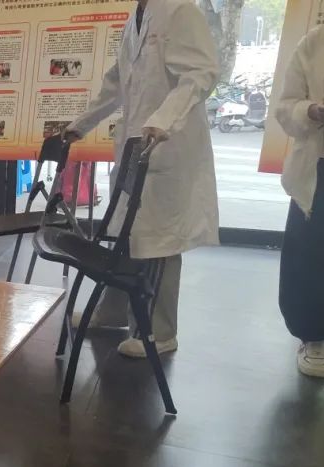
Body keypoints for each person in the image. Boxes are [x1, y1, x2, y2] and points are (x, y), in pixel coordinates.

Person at [64, 0, 219, 358]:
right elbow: (116, 81)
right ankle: (114, 312)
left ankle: (159, 333)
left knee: (161, 242)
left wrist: (163, 119)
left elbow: (202, 73)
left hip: (167, 144)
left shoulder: (180, 9)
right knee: (126, 233)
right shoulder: (137, 16)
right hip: (136, 145)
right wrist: (81, 124)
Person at [274, 25, 324, 378]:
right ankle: (315, 336)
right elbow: (285, 107)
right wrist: (312, 111)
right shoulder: (314, 43)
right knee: (309, 256)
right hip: (319, 167)